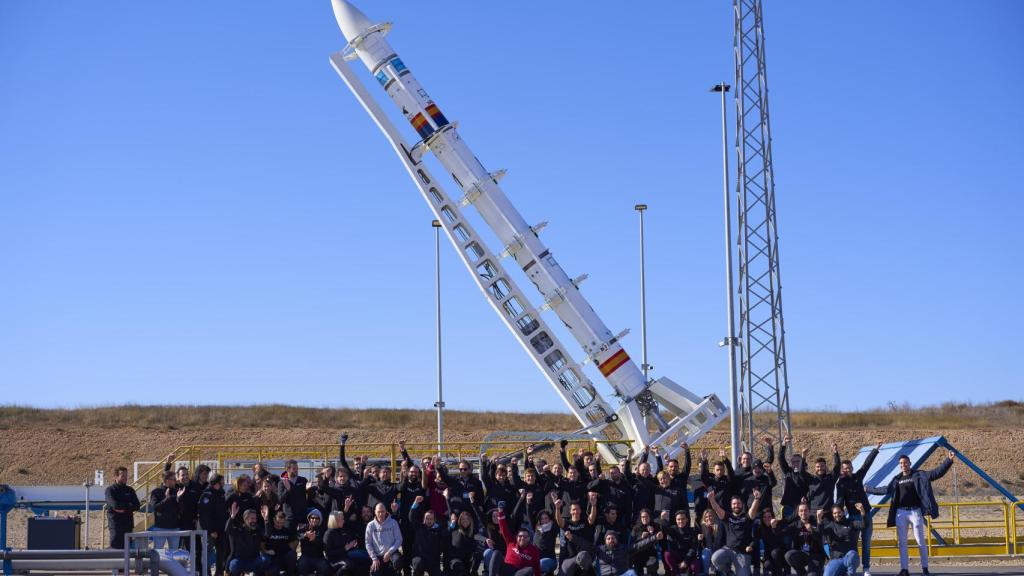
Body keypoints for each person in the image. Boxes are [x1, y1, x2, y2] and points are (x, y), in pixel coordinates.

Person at [866, 450, 954, 576]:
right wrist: (869, 489)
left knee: (920, 541)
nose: (903, 465)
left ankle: (925, 568)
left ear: (910, 463)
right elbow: (885, 489)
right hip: (900, 513)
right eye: (901, 463)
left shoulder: (919, 475)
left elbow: (936, 473)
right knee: (902, 542)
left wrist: (948, 460)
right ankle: (904, 569)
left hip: (915, 512)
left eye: (905, 462)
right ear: (900, 465)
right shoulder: (896, 479)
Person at [835, 441, 881, 576]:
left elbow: (867, 464)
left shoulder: (858, 476)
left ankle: (866, 569)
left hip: (865, 515)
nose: (848, 470)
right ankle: (851, 568)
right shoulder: (840, 484)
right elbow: (839, 500)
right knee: (852, 545)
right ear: (842, 470)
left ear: (852, 468)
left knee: (866, 543)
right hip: (852, 518)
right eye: (845, 468)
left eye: (849, 467)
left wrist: (876, 449)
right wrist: (836, 510)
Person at [707, 489, 762, 576]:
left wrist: (757, 499)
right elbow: (717, 509)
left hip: (742, 553)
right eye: (734, 504)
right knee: (715, 558)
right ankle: (729, 572)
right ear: (731, 505)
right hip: (728, 550)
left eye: (738, 503)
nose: (736, 505)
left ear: (742, 505)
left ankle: (746, 571)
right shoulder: (727, 517)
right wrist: (711, 500)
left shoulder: (747, 517)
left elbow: (753, 509)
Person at [772, 503, 825, 576]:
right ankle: (802, 573)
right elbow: (782, 533)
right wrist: (774, 527)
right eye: (801, 511)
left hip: (816, 555)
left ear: (809, 511)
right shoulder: (795, 525)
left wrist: (812, 531)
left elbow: (821, 537)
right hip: (803, 554)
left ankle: (817, 570)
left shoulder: (815, 522)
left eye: (805, 510)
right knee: (789, 555)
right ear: (798, 513)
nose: (803, 512)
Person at [490, 508, 542, 576]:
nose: (522, 538)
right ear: (517, 537)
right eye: (520, 536)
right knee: (496, 553)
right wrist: (500, 512)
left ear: (529, 538)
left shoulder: (533, 550)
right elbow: (503, 528)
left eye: (525, 536)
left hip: (519, 573)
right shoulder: (511, 542)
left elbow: (537, 567)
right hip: (506, 570)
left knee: (530, 570)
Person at [818, 504, 864, 576]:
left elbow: (864, 524)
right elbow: (821, 531)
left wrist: (862, 512)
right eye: (835, 513)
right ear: (832, 515)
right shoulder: (831, 525)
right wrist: (819, 518)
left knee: (852, 554)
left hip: (850, 557)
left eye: (839, 512)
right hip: (836, 560)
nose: (837, 515)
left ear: (843, 512)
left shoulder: (851, 523)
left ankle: (850, 574)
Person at [553, 499, 594, 576]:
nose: (576, 512)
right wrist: (557, 508)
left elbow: (591, 519)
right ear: (570, 512)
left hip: (584, 558)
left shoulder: (585, 522)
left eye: (577, 509)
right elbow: (559, 521)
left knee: (583, 557)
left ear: (581, 510)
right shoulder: (566, 523)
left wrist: (593, 505)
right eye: (574, 510)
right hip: (570, 558)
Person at [226, 502, 269, 576]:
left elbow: (267, 535)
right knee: (234, 565)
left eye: (255, 518)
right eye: (252, 518)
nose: (254, 521)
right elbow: (227, 530)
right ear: (245, 519)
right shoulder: (239, 530)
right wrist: (232, 517)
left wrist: (266, 519)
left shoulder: (257, 529)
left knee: (266, 559)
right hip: (240, 561)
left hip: (254, 560)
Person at [198, 473, 228, 576]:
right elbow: (204, 515)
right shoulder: (207, 495)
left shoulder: (221, 493)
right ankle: (206, 573)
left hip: (221, 529)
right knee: (207, 553)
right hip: (210, 531)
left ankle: (219, 573)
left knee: (221, 552)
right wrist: (210, 531)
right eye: (222, 481)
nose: (223, 483)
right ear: (217, 482)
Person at [409, 495, 446, 576]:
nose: (428, 521)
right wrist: (415, 503)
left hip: (432, 561)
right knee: (417, 565)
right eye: (427, 518)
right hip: (419, 558)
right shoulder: (419, 527)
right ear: (424, 519)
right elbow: (412, 517)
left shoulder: (439, 530)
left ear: (434, 520)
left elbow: (443, 544)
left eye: (431, 519)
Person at [104, 466, 140, 550]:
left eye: (126, 475)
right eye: (123, 475)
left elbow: (137, 505)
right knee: (115, 550)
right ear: (116, 477)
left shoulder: (130, 490)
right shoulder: (110, 490)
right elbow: (115, 505)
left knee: (127, 550)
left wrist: (123, 508)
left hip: (128, 525)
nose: (125, 478)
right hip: (116, 526)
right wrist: (129, 505)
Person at [366, 502, 403, 576]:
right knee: (374, 571)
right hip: (377, 556)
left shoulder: (393, 523)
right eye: (378, 512)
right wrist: (374, 558)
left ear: (386, 511)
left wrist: (389, 552)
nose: (381, 514)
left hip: (391, 554)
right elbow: (368, 543)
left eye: (382, 511)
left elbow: (399, 539)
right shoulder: (370, 525)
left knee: (397, 561)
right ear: (375, 512)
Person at [150, 471, 182, 550]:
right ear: (167, 480)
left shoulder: (177, 491)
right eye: (174, 479)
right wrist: (166, 499)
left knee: (174, 553)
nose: (176, 480)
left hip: (175, 527)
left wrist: (179, 499)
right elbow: (155, 507)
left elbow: (181, 510)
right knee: (158, 552)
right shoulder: (156, 492)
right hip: (160, 528)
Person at [778, 436, 809, 518]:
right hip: (788, 506)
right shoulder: (788, 472)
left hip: (802, 506)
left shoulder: (807, 475)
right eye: (793, 462)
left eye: (797, 461)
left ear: (802, 462)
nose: (795, 463)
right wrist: (783, 444)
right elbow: (781, 458)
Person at [661, 510, 699, 576]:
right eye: (678, 519)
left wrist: (686, 561)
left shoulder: (692, 531)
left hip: (689, 556)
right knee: (667, 553)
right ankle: (676, 572)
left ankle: (687, 570)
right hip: (677, 556)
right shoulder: (673, 529)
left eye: (683, 519)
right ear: (676, 520)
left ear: (686, 519)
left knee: (694, 567)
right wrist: (662, 519)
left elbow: (693, 548)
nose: (681, 521)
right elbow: (664, 528)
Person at [262, 510, 298, 576]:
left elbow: (294, 541)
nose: (280, 525)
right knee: (273, 572)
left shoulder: (287, 531)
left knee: (292, 554)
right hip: (273, 558)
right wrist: (266, 551)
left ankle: (290, 573)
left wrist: (290, 547)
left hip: (283, 557)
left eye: (282, 523)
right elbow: (262, 543)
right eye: (278, 522)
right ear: (274, 520)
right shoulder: (269, 530)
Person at [325, 511, 361, 576]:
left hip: (344, 556)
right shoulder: (329, 533)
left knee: (358, 562)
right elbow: (328, 553)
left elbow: (347, 542)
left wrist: (352, 545)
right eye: (342, 519)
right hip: (333, 560)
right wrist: (345, 548)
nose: (343, 521)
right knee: (348, 564)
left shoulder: (341, 530)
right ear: (335, 521)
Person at [279, 460, 309, 535]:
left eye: (297, 468)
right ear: (288, 469)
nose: (296, 470)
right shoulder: (282, 483)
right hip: (289, 517)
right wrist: (288, 490)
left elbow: (307, 496)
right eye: (294, 468)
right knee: (289, 540)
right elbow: (280, 500)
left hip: (302, 516)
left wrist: (309, 490)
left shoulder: (303, 480)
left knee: (304, 539)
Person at [298, 508, 330, 575]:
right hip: (305, 557)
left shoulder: (323, 530)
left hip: (318, 557)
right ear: (309, 519)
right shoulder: (303, 527)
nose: (314, 520)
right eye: (312, 518)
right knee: (301, 566)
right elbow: (297, 536)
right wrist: (305, 535)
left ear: (320, 520)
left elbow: (323, 544)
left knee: (325, 568)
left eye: (317, 518)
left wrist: (314, 539)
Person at [629, 509, 660, 576]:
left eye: (646, 517)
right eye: (643, 517)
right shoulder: (636, 528)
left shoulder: (655, 526)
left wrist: (652, 534)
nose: (644, 519)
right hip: (638, 554)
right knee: (637, 572)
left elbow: (658, 542)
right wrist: (641, 538)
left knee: (652, 566)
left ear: (650, 517)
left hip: (650, 553)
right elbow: (632, 545)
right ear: (640, 518)